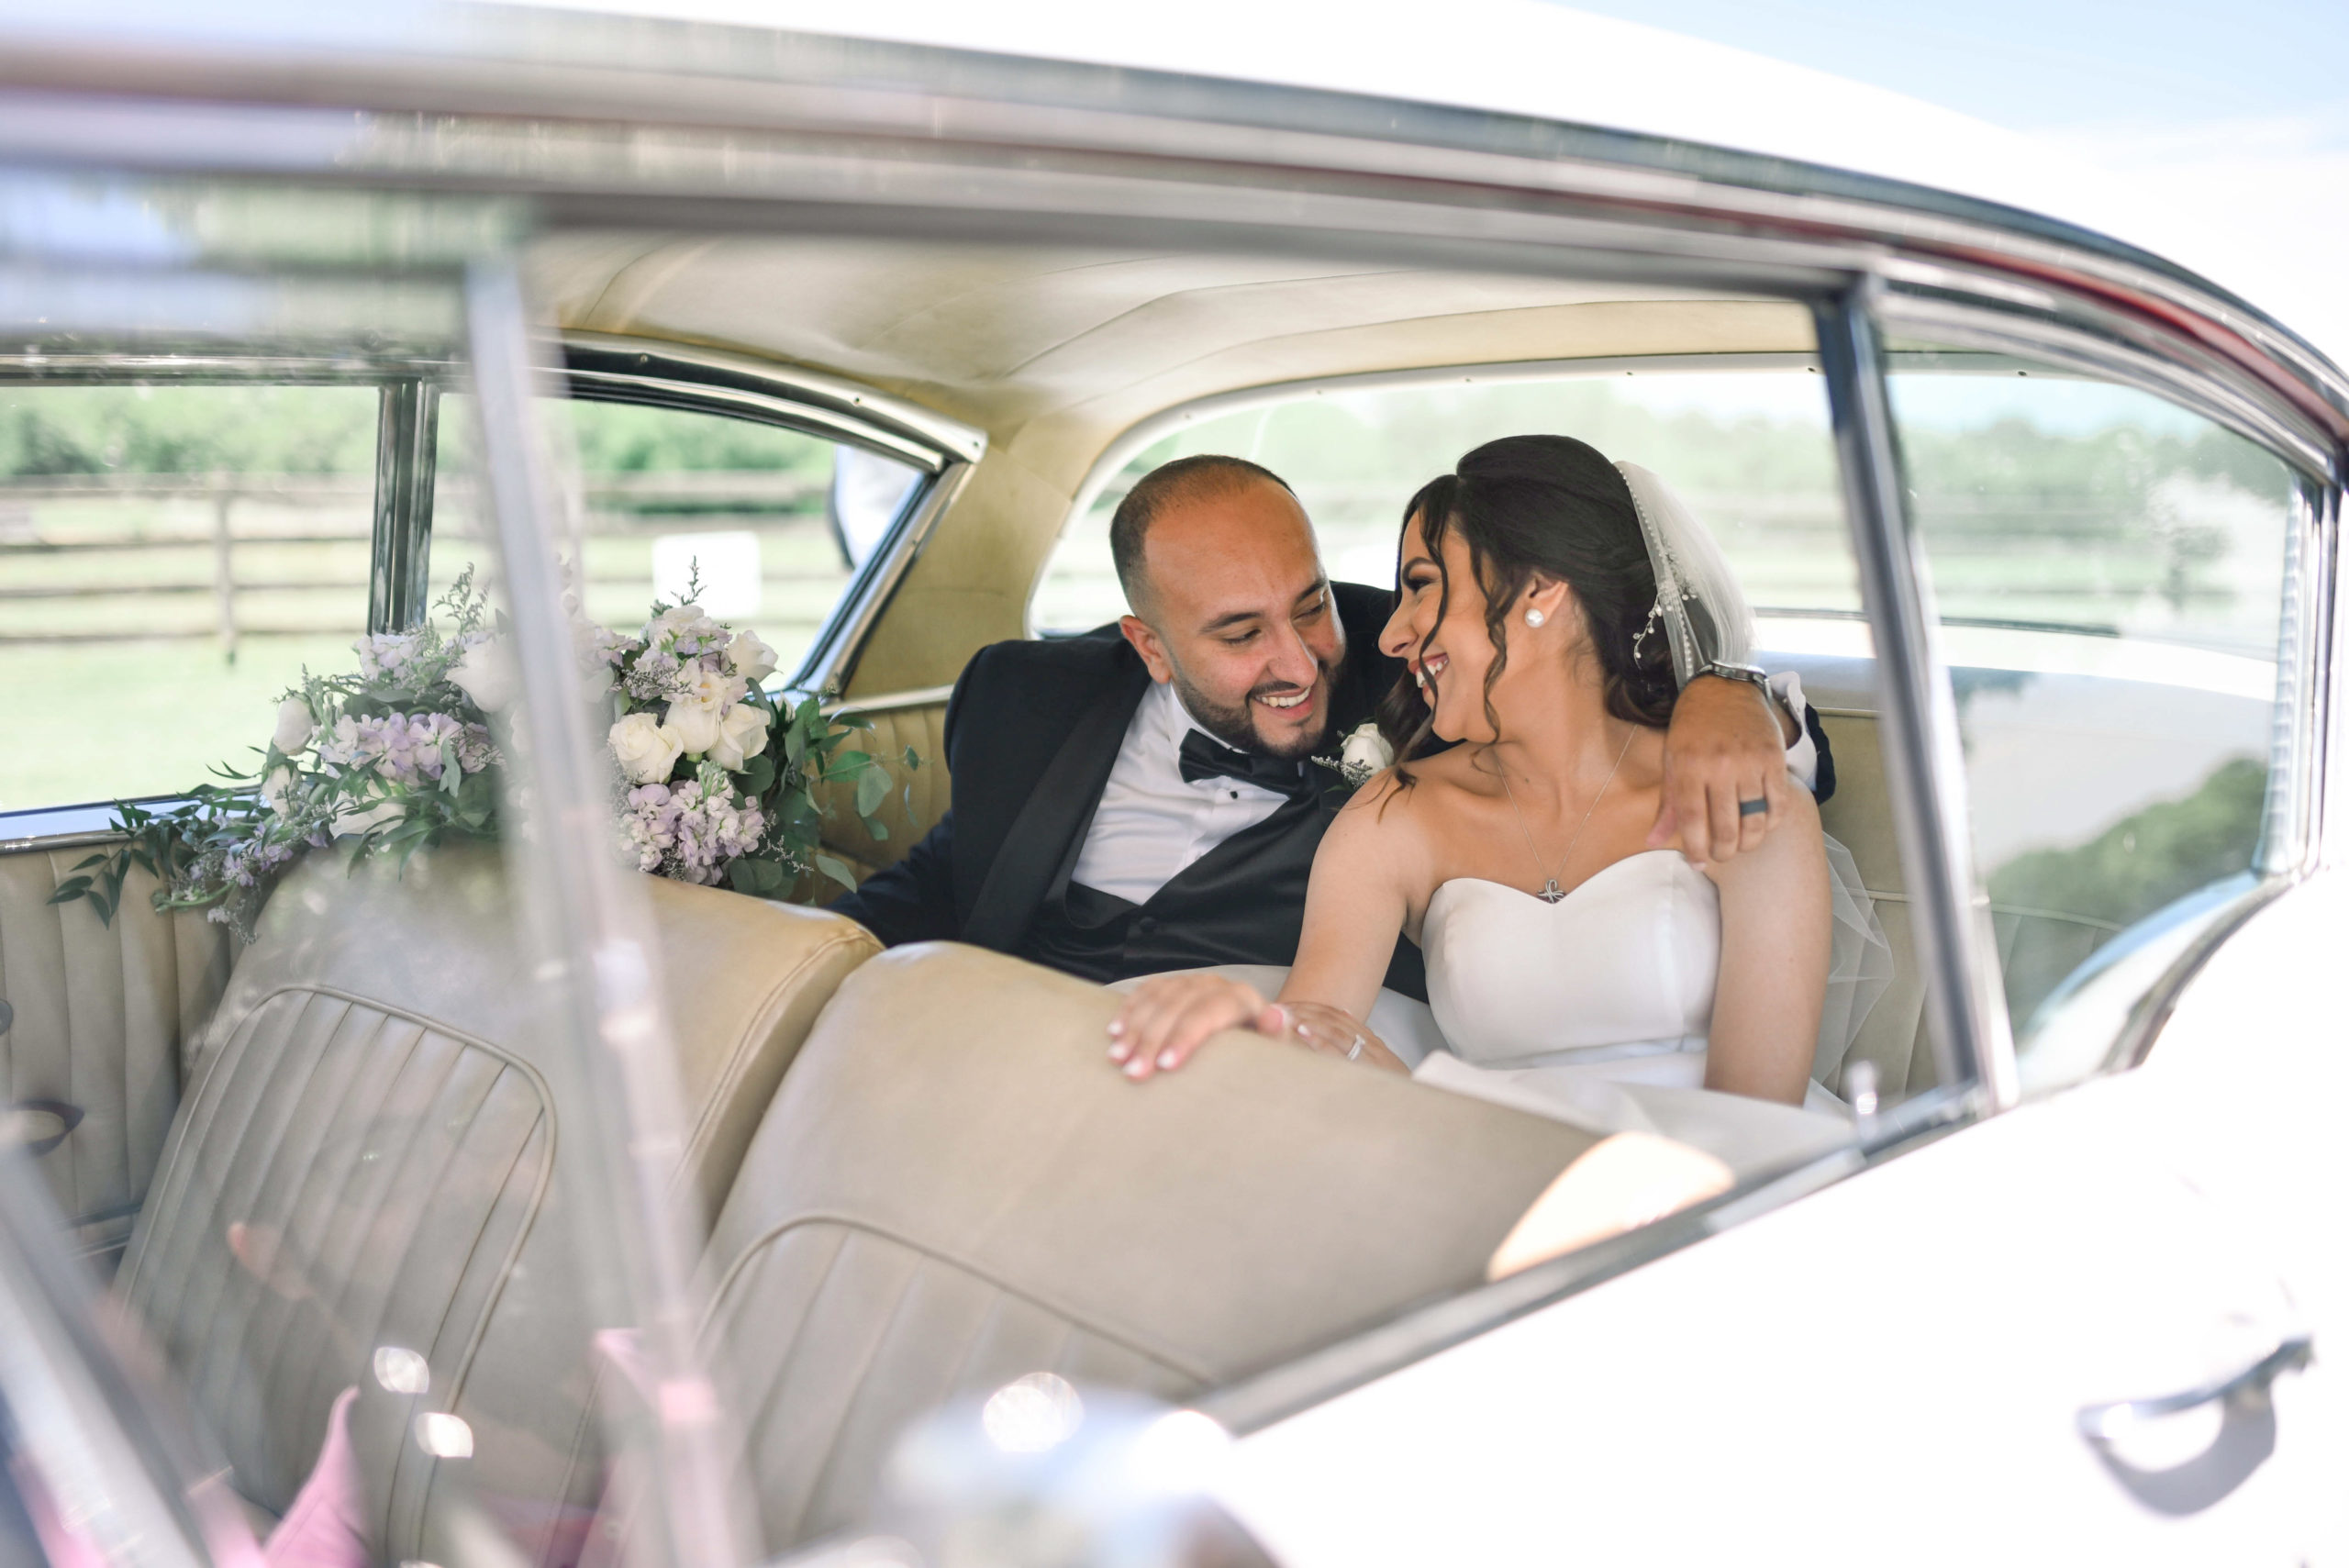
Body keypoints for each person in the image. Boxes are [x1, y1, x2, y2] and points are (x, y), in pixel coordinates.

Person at [829, 452, 1835, 1000]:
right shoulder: (1022, 697)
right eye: (1239, 633)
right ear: (1149, 643)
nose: (1303, 658)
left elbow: (1609, 692)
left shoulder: (1420, 662)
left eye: (1307, 602)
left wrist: (1726, 691)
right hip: (1020, 1058)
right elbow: (939, 883)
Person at [1106, 436, 1888, 1124]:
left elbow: (1755, 1119)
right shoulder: (1395, 814)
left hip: (1716, 1190)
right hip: (1479, 1170)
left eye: (1420, 584)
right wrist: (1257, 1029)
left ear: (1540, 591)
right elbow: (1318, 1022)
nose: (1390, 631)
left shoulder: (1741, 791)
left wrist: (1734, 691)